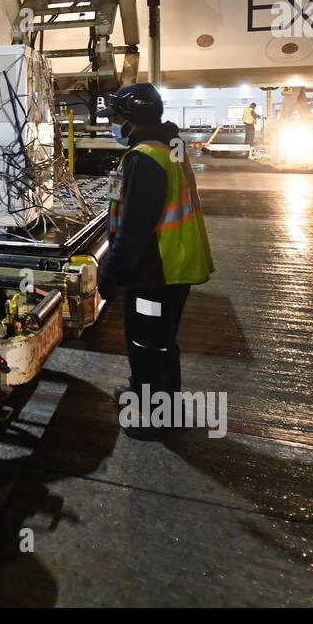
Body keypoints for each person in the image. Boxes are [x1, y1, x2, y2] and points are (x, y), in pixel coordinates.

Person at [98, 83, 214, 439]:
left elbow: (135, 229)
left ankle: (158, 420)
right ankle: (140, 392)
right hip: (168, 264)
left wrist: (110, 271)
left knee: (152, 342)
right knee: (145, 338)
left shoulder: (145, 159)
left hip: (157, 271)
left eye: (117, 117)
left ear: (131, 119)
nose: (114, 124)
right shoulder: (165, 149)